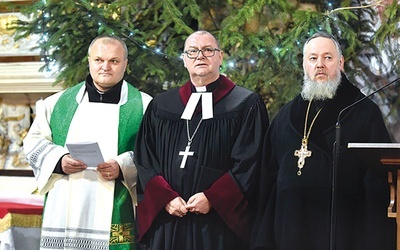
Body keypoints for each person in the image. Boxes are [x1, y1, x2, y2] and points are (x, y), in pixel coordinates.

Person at [251, 32, 396, 250]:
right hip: (289, 230)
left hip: (342, 232)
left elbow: (377, 187)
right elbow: (267, 183)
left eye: (327, 58)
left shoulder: (363, 112)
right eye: (313, 58)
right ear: (304, 64)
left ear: (340, 63)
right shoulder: (285, 117)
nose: (320, 65)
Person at [134, 30, 269, 250]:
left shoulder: (245, 104)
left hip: (218, 225)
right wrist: (165, 197)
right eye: (193, 51)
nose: (200, 56)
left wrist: (213, 198)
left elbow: (250, 162)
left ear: (220, 57)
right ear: (185, 59)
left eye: (208, 50)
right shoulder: (161, 105)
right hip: (170, 218)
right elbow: (145, 159)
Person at [23, 35, 152, 250]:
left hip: (116, 202)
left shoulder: (144, 106)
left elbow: (154, 152)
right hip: (65, 200)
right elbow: (33, 142)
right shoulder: (56, 103)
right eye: (99, 60)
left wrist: (122, 166)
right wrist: (59, 160)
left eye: (114, 61)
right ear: (89, 61)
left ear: (125, 64)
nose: (105, 67)